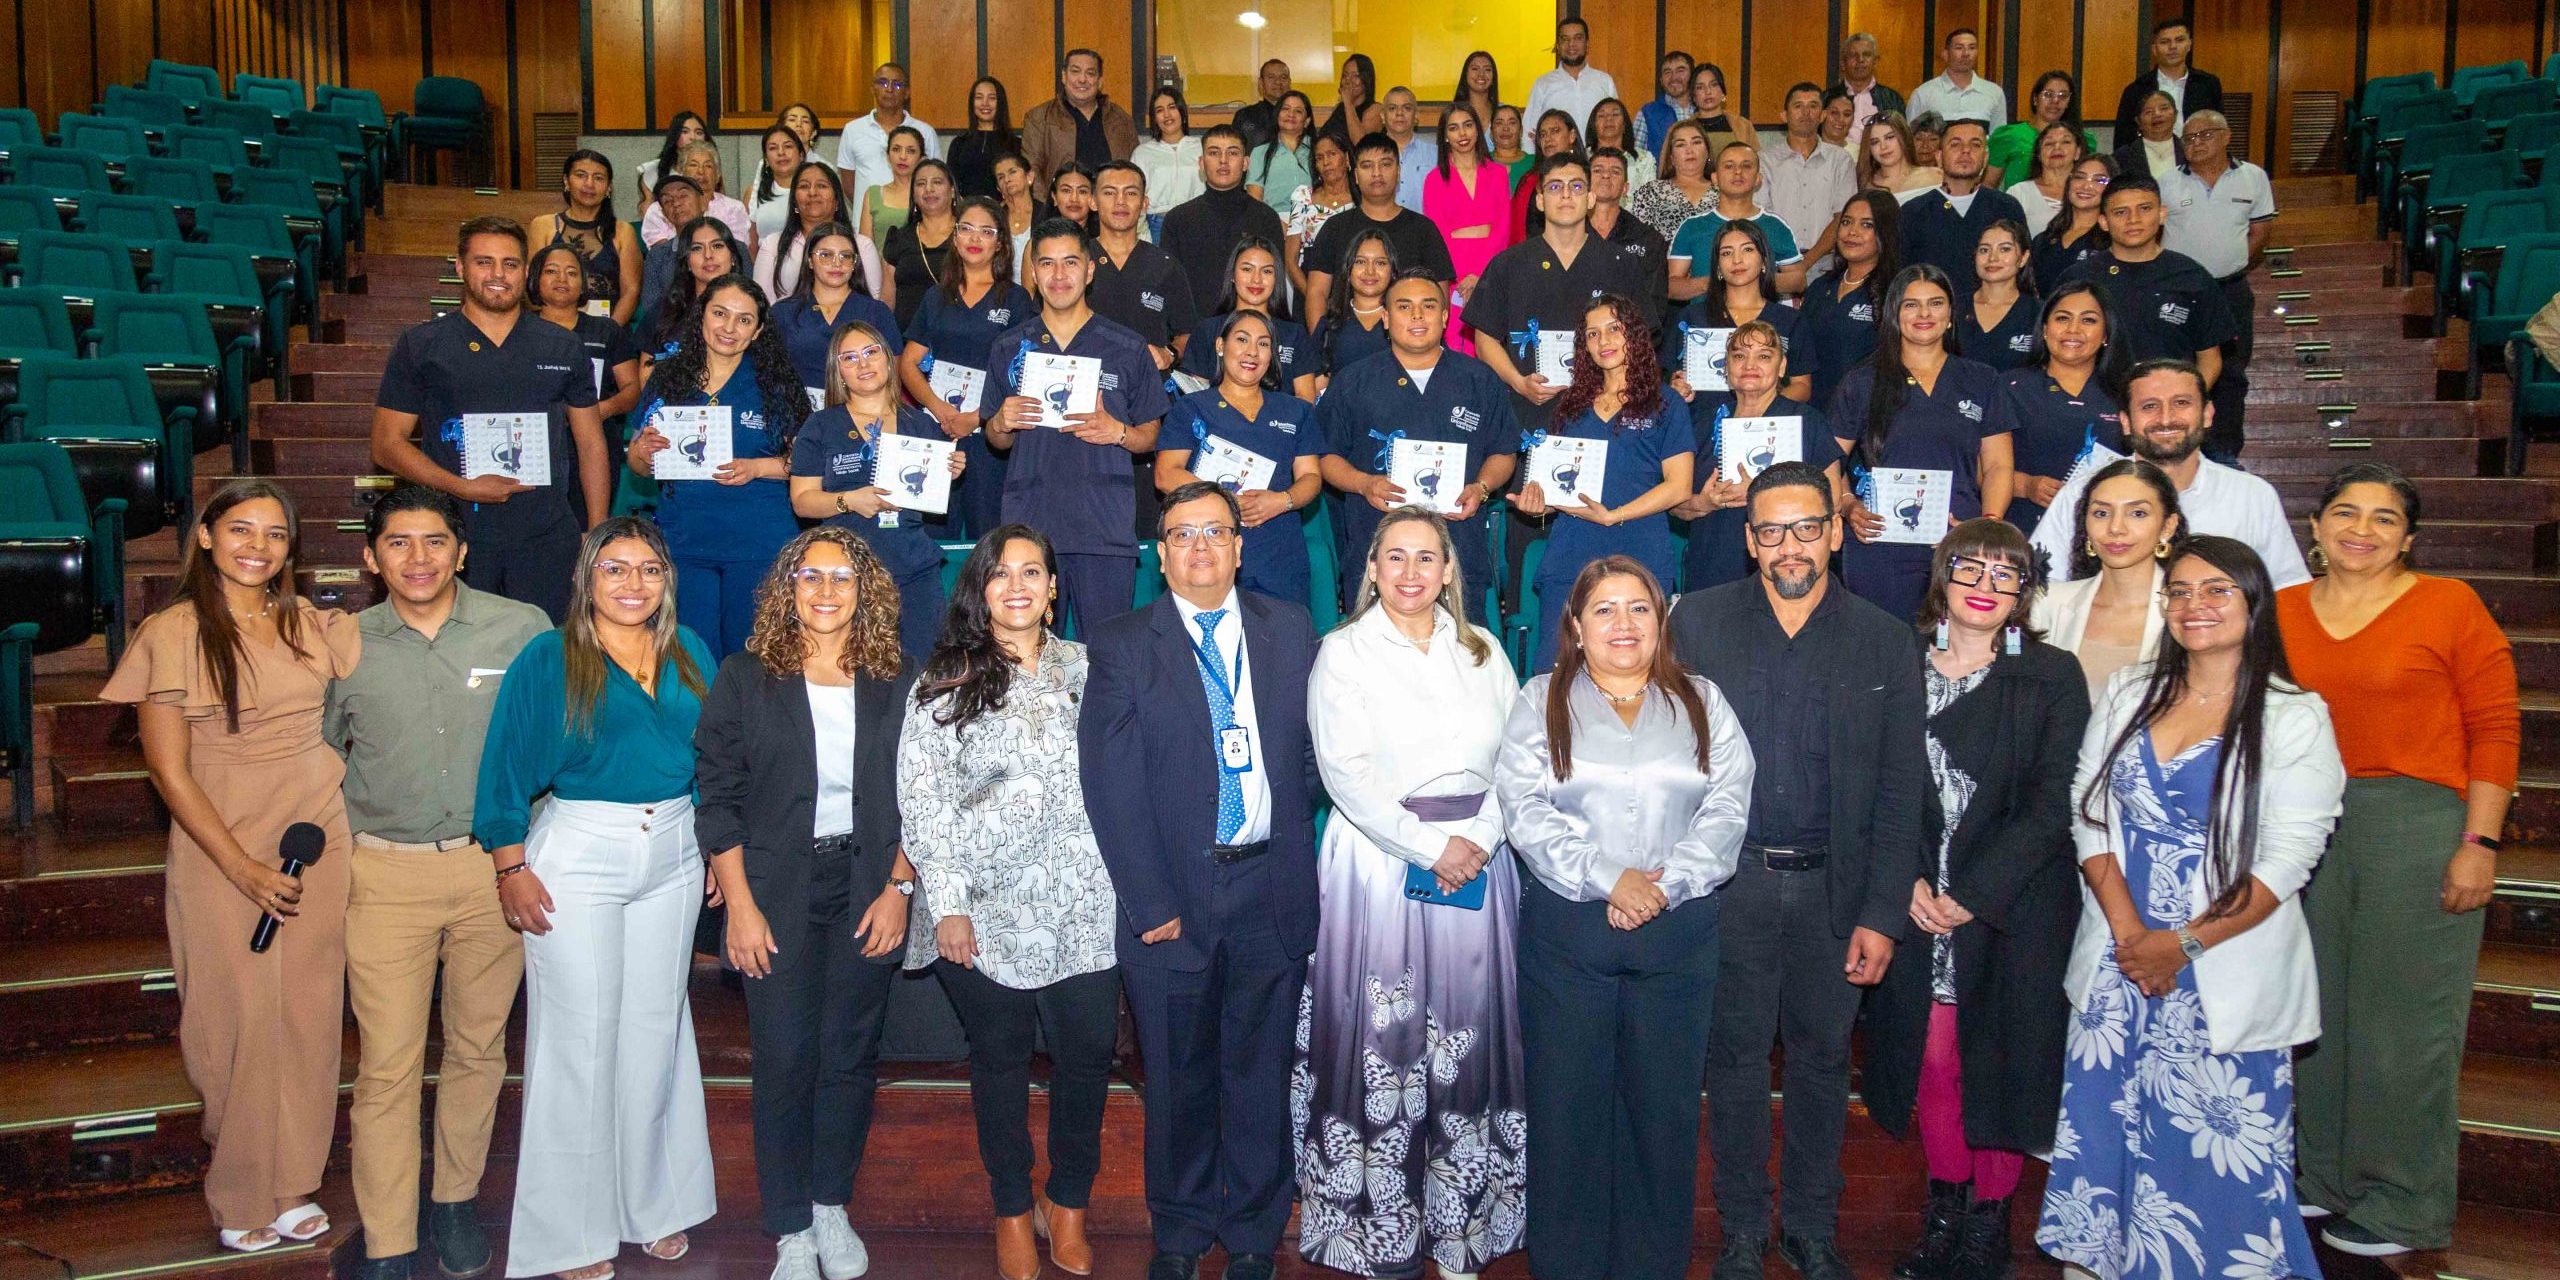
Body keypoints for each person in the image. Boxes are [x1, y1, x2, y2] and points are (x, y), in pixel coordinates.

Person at [2035, 535, 2344, 1280]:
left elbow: (2286, 861)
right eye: (2178, 591)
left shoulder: (2293, 715)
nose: (2194, 605)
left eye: (2215, 591)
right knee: (2109, 1129)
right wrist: (2134, 933)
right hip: (2121, 961)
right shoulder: (2131, 691)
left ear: (2252, 603)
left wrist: (2185, 944)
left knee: (2219, 1153)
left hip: (2224, 966)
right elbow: (2089, 814)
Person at [1667, 460, 1926, 1280]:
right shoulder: (1697, 624)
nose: (1790, 546)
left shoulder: (1886, 638)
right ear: (1748, 540)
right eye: (1771, 530)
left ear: (1837, 531)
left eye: (1806, 527)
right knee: (1734, 1062)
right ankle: (1744, 1226)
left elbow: (1899, 790)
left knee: (1821, 1062)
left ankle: (1812, 1225)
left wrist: (1883, 913)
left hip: (1837, 891)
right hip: (1730, 885)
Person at [106, 480, 360, 1255]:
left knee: (310, 1015)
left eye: (276, 534)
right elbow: (169, 774)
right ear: (206, 537)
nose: (259, 545)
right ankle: (241, 1186)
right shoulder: (173, 631)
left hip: (317, 830)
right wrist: (243, 867)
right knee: (234, 1019)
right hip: (222, 841)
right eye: (241, 529)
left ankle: (292, 1185)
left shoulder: (309, 625)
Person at [1080, 481, 1323, 1280]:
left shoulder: (1290, 629)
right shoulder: (1119, 643)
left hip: (1270, 887)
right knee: (1179, 1081)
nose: (1200, 549)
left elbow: (1316, 759)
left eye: (1215, 532)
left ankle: (1254, 1233)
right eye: (1182, 535)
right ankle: (1180, 1235)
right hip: (1173, 899)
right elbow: (1109, 783)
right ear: (1160, 554)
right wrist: (1149, 903)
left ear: (1240, 545)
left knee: (1260, 1076)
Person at [2282, 463, 2521, 1260]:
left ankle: (2405, 1203)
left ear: (2409, 539)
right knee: (2317, 1012)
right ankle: (2323, 1178)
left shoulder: (2449, 605)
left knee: (2402, 1023)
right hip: (2307, 823)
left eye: (2384, 519)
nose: (2362, 529)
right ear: (2313, 529)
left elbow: (2495, 727)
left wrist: (2478, 844)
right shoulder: (2279, 611)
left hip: (2417, 825)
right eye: (2345, 513)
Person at [1495, 556, 1751, 1280]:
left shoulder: (1703, 700)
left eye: (1638, 608)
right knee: (1567, 1114)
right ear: (1575, 625)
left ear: (1661, 617)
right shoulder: (1540, 700)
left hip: (1679, 932)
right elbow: (1525, 811)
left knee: (1662, 1118)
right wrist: (1613, 879)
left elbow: (1729, 806)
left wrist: (1665, 886)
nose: (1623, 624)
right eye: (1603, 610)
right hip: (1569, 933)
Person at [476, 517, 718, 1280]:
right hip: (578, 853)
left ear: (667, 580)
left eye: (649, 570)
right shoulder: (549, 658)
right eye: (616, 570)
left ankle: (650, 1203)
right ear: (587, 578)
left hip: (676, 850)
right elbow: (506, 767)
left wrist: (716, 844)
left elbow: (714, 755)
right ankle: (570, 1236)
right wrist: (510, 867)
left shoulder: (690, 651)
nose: (633, 585)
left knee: (655, 1030)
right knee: (579, 1040)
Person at [1295, 509, 1527, 1280]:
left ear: (1451, 570)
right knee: (1380, 1041)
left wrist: (1483, 839)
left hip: (1479, 864)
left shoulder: (1484, 650)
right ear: (1369, 568)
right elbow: (1346, 774)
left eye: (1427, 558)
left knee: (1468, 1041)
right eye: (1394, 558)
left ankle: (1462, 1229)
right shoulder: (1343, 652)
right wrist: (1435, 847)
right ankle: (1379, 1231)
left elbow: (1520, 760)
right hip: (1380, 865)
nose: (1410, 573)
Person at [328, 486, 550, 1280]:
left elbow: (546, 739)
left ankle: (454, 1203)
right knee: (387, 1065)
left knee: (477, 1047)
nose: (416, 559)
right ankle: (388, 1241)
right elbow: (323, 756)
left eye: (433, 542)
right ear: (370, 555)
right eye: (397, 543)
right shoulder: (342, 642)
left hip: (495, 872)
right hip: (384, 874)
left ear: (461, 551)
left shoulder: (522, 627)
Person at [1862, 519, 2092, 1280]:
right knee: (1932, 1060)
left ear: (2026, 591)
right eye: (1972, 569)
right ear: (1941, 576)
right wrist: (1907, 884)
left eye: (2007, 574)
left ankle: (1991, 1222)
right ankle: (1945, 1207)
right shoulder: (1895, 660)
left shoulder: (2051, 673)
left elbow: (2055, 798)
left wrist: (1974, 893)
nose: (1987, 587)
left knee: (1999, 1059)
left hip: (2014, 906)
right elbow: (1871, 787)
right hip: (1917, 899)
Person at [897, 526, 1123, 1280]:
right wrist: (949, 903)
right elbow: (923, 803)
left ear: (1055, 587)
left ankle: (1068, 1203)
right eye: (1001, 574)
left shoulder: (1094, 671)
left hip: (1088, 908)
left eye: (1034, 572)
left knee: (1086, 1062)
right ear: (980, 589)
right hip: (983, 911)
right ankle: (1009, 1208)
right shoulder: (946, 678)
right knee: (998, 1064)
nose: (1019, 586)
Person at [694, 528, 918, 1280]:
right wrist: (740, 907)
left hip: (867, 889)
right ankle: (790, 1225)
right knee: (785, 1059)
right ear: (787, 589)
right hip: (775, 891)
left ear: (867, 593)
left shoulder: (900, 679)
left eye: (843, 579)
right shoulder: (743, 676)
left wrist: (899, 887)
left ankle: (831, 1206)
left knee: (849, 1057)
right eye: (810, 577)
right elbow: (718, 796)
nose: (826, 592)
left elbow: (926, 798)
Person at [372, 217, 609, 621]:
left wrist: (597, 532)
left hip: (546, 534)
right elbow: (386, 445)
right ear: (461, 268)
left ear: (524, 271)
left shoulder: (562, 345)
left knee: (547, 655)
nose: (498, 275)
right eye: (484, 262)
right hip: (455, 535)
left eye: (511, 264)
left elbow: (590, 443)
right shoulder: (422, 346)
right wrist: (461, 487)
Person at [984, 218, 1174, 633]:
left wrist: (1118, 432)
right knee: (1030, 656)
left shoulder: (1126, 347)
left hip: (1101, 530)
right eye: (1047, 264)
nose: (1058, 275)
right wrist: (1001, 421)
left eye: (1070, 262)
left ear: (1089, 271)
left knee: (1107, 659)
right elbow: (995, 439)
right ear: (1033, 273)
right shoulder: (1009, 347)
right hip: (1031, 530)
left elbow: (1152, 436)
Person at [625, 276, 810, 656]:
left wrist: (758, 468)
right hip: (686, 540)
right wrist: (643, 452)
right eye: (720, 313)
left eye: (744, 320)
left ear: (758, 331)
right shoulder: (668, 376)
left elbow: (805, 464)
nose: (729, 328)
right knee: (692, 654)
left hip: (758, 539)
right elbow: (638, 464)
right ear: (701, 316)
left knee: (753, 655)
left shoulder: (776, 383)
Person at [1320, 270, 1519, 619]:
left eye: (1428, 306)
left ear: (1444, 317)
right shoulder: (1353, 380)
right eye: (1404, 306)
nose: (1417, 316)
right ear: (1385, 317)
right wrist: (1363, 483)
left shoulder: (1479, 379)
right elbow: (1325, 456)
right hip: (1377, 552)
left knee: (1459, 660)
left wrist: (1482, 488)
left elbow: (1503, 451)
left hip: (1458, 551)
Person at [1514, 295, 1697, 671]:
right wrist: (1540, 502)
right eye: (1593, 334)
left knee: (1640, 673)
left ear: (1634, 335)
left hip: (1640, 551)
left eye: (1614, 329)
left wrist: (1616, 515)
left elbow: (1679, 487)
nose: (1604, 341)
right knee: (1556, 674)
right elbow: (1558, 490)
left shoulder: (1666, 403)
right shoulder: (1570, 405)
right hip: (1572, 553)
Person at [1833, 265, 2016, 624]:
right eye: (1911, 305)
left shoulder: (1981, 380)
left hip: (1960, 544)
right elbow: (1828, 459)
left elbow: (1998, 466)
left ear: (1951, 315)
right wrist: (1846, 503)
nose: (1924, 314)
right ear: (1894, 314)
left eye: (1935, 303)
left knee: (1955, 652)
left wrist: (1985, 528)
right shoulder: (1862, 380)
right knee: (1883, 655)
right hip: (1879, 545)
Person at [2030, 360, 2310, 587]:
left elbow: (2287, 590)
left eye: (2181, 403)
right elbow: (2039, 586)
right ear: (2125, 422)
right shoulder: (2082, 494)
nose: (2165, 419)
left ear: (2208, 414)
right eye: (2149, 406)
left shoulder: (2252, 496)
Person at [1466, 153, 1657, 475]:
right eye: (1555, 187)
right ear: (1540, 200)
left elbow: (1641, 339)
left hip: (1605, 413)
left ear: (1591, 198)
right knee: (1530, 513)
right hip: (1529, 410)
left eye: (1576, 186)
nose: (1566, 194)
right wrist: (1518, 382)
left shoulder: (1621, 264)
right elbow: (1484, 337)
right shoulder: (1508, 264)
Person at [789, 320, 964, 658]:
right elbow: (802, 501)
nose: (863, 364)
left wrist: (951, 470)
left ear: (888, 359)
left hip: (914, 571)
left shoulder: (921, 423)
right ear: (838, 371)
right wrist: (849, 501)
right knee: (858, 676)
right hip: (848, 575)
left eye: (871, 352)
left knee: (922, 675)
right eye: (850, 358)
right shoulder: (821, 425)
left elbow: (932, 490)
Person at [1157, 311, 1323, 605]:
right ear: (1220, 346)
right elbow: (1166, 474)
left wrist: (1281, 500)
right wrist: (1224, 500)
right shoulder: (1191, 407)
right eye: (1242, 340)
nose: (1251, 352)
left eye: (1263, 344)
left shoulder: (1295, 411)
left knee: (1285, 642)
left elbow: (1311, 477)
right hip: (1209, 550)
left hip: (1279, 552)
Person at [1672, 319, 1845, 590]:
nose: (1749, 365)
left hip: (1786, 569)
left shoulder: (1806, 422)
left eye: (1764, 356)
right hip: (1711, 571)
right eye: (1739, 356)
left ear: (1782, 366)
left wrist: (1762, 492)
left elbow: (1832, 498)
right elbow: (1675, 505)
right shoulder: (1703, 424)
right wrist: (1704, 503)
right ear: (1726, 367)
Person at [901, 197, 1036, 538]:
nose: (975, 239)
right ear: (955, 237)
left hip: (991, 437)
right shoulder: (936, 296)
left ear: (1001, 243)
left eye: (986, 231)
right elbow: (908, 363)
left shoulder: (1016, 299)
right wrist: (942, 411)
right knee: (934, 537)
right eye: (967, 229)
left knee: (989, 538)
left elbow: (1025, 373)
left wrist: (976, 417)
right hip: (940, 431)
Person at [2161, 110, 2274, 462]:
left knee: (2230, 372)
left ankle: (2224, 452)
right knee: (2176, 367)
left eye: (2205, 135)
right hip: (2179, 293)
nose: (2195, 143)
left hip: (2230, 291)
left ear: (2226, 137)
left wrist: (2235, 263)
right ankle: (2175, 447)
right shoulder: (2167, 182)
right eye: (2189, 138)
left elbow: (2261, 230)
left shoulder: (2253, 177)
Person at [2056, 178, 2234, 394]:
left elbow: (2210, 359)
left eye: (2145, 209)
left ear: (2162, 214)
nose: (2133, 219)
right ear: (2103, 221)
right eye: (2120, 212)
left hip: (2166, 406)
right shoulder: (2079, 278)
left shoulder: (2191, 276)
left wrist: (2184, 403)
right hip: (2092, 407)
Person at [2030, 457, 2182, 700]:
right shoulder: (2047, 604)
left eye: (2137, 513)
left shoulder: (2186, 610)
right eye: (2101, 513)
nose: (2116, 528)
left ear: (2167, 527)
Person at [1999, 281, 2127, 535]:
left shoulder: (2125, 394)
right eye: (2062, 318)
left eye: (2088, 320)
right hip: (2024, 531)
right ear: (2045, 329)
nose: (2073, 329)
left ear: (2105, 335)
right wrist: (2026, 485)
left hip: (2105, 534)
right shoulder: (2008, 387)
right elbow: (1979, 466)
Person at [1302, 133, 1456, 321]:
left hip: (1408, 343)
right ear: (1356, 175)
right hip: (1344, 342)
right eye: (1367, 166)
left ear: (1398, 171)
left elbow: (1439, 298)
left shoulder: (1424, 229)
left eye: (1385, 164)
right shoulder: (1335, 228)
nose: (1376, 173)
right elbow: (1316, 293)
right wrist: (1322, 343)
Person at [1664, 220, 1809, 400]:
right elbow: (1670, 378)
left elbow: (1802, 386)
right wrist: (1678, 387)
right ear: (1717, 266)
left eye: (1747, 250)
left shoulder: (1789, 320)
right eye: (1726, 253)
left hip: (1766, 425)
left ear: (1764, 260)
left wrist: (1760, 410)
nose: (1737, 260)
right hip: (1702, 423)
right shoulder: (1692, 317)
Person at [1083, 161, 1201, 373]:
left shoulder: (1165, 265)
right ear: (1093, 201)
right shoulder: (1075, 262)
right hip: (1085, 387)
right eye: (1109, 193)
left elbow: (1188, 334)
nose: (1120, 201)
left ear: (1145, 203)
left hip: (1150, 389)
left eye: (1131, 193)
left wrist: (1169, 353)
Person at [1162, 125, 1287, 315]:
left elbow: (1274, 285)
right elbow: (1170, 286)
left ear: (1245, 163)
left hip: (1253, 331)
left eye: (1232, 153)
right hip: (1194, 333)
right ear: (1202, 163)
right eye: (1214, 153)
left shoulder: (1266, 218)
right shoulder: (1178, 220)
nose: (1223, 161)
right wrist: (1182, 333)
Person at [1176, 235, 1320, 399]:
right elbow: (1195, 396)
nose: (1256, 279)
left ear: (1276, 278)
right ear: (1232, 275)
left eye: (1266, 271)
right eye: (1247, 269)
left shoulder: (1294, 334)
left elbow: (1305, 399)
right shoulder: (1208, 330)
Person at [1423, 102, 1514, 354]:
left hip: (1491, 271)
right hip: (1454, 277)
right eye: (1453, 128)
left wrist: (1482, 275)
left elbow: (1503, 230)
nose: (1462, 134)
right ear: (1444, 135)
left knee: (1492, 346)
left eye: (1468, 125)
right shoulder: (1434, 179)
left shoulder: (1498, 174)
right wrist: (1463, 278)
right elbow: (1438, 236)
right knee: (1457, 347)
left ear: (1478, 130)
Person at [772, 223, 903, 397]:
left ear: (854, 263)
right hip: (796, 415)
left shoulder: (876, 312)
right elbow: (768, 371)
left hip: (859, 417)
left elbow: (893, 376)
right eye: (825, 255)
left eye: (846, 256)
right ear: (810, 261)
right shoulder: (783, 312)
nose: (837, 263)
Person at [1899, 121, 2028, 297]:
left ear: (1986, 157)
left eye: (1975, 145)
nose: (1966, 151)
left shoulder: (2006, 207)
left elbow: (2024, 275)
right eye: (1955, 144)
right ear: (1939, 157)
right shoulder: (1913, 212)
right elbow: (1901, 278)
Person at [1799, 190, 1901, 406]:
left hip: (1867, 416)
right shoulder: (1820, 287)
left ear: (1885, 232)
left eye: (1867, 225)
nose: (1852, 232)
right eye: (1846, 222)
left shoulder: (1897, 291)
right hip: (1815, 414)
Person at [1669, 142, 1806, 300]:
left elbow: (1799, 280)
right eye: (1729, 166)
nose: (1738, 172)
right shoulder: (1692, 227)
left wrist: (1753, 280)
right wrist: (1716, 282)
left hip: (1761, 322)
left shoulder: (1775, 226)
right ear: (1715, 178)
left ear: (1758, 179)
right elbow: (1672, 286)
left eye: (1746, 166)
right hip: (1707, 320)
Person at [530, 243, 645, 423]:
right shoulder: (519, 330)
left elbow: (632, 390)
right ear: (535, 279)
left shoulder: (606, 330)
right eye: (551, 271)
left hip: (600, 432)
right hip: (537, 436)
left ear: (584, 284)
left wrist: (599, 411)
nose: (562, 278)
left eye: (572, 273)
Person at [530, 150, 644, 325]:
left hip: (609, 330)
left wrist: (607, 333)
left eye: (598, 178)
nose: (589, 184)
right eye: (581, 175)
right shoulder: (543, 225)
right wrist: (552, 333)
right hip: (552, 331)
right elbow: (532, 284)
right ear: (566, 181)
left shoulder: (622, 231)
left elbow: (631, 291)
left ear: (608, 188)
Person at [1759, 83, 1858, 277]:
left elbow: (1842, 218)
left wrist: (1806, 263)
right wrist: (1790, 264)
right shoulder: (1764, 160)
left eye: (1813, 106)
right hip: (1777, 264)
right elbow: (1762, 218)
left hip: (1827, 265)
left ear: (1822, 115)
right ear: (1784, 116)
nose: (1806, 113)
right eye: (1798, 106)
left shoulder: (1841, 160)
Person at [760, 161, 887, 301]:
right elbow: (762, 304)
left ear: (837, 200)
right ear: (794, 202)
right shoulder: (773, 245)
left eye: (821, 186)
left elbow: (873, 302)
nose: (812, 192)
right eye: (804, 186)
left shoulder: (862, 246)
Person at [1022, 49, 1138, 189]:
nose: (1082, 80)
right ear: (1064, 76)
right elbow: (1031, 170)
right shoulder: (1039, 118)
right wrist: (1045, 208)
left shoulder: (1121, 119)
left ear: (1100, 81)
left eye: (1090, 73)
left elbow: (1135, 167)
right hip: (1060, 208)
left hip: (1111, 206)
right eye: (1075, 71)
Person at [835, 61, 944, 203]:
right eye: (883, 83)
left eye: (897, 84)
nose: (890, 89)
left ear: (907, 92)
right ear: (872, 88)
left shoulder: (925, 132)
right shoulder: (853, 130)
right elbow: (849, 185)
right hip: (866, 221)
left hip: (911, 221)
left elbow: (936, 177)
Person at [2109, 16, 2225, 148]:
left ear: (2189, 45)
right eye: (2165, 42)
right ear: (2154, 49)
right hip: (2152, 161)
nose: (2173, 47)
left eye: (2179, 40)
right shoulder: (2136, 90)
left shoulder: (2207, 85)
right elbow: (2123, 141)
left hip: (2199, 157)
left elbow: (2219, 130)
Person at [650, 216, 755, 356]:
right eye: (697, 248)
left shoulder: (753, 308)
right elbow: (647, 370)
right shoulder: (666, 307)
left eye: (717, 246)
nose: (708, 255)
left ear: (733, 257)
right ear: (687, 261)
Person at [1310, 227, 1398, 382]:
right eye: (1360, 262)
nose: (1370, 271)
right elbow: (1316, 387)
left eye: (1380, 263)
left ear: (1392, 271)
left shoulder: (1405, 320)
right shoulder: (1329, 325)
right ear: (1348, 269)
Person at [1587, 146, 1672, 308]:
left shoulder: (1648, 239)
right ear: (1585, 182)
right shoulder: (1569, 234)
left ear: (1625, 188)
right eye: (1597, 170)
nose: (1606, 175)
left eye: (1615, 171)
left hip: (1631, 329)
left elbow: (1655, 304)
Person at [640, 141, 757, 253]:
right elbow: (663, 256)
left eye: (708, 166)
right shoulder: (660, 209)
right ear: (681, 173)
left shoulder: (734, 208)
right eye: (693, 165)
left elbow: (736, 251)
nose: (701, 171)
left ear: (717, 175)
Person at [880, 159, 957, 326]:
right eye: (921, 184)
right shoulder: (898, 238)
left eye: (937, 182)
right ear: (913, 195)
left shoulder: (968, 235)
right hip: (906, 341)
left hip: (956, 334)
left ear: (952, 191)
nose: (929, 189)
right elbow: (887, 300)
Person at [1986, 72, 2097, 188]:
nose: (2055, 101)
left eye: (2062, 96)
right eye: (2048, 94)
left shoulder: (2083, 139)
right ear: (2035, 99)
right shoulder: (2009, 136)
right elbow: (1989, 184)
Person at [1956, 219, 2039, 371]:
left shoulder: (2039, 313)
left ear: (2023, 258)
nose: (1992, 258)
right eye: (1984, 250)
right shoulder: (1953, 309)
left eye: (2005, 249)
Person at [1282, 131, 1355, 301]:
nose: (1326, 162)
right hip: (1308, 284)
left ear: (1347, 158)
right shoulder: (1303, 197)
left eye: (1332, 154)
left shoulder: (1362, 199)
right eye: (1319, 158)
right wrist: (1314, 298)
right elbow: (1291, 260)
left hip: (1352, 287)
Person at [1523, 17, 1620, 144]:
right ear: (1557, 45)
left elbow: (1617, 125)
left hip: (1598, 161)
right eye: (1565, 39)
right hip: (1557, 162)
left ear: (1587, 44)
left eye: (1578, 38)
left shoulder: (1604, 81)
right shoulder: (1543, 84)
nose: (1571, 44)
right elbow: (1529, 133)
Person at [2028, 155, 2115, 290]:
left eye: (2099, 180)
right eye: (2079, 177)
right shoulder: (2044, 239)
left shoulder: (2114, 240)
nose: (2086, 185)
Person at [1134, 87, 1207, 238]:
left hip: (1197, 222)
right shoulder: (1142, 153)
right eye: (1159, 110)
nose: (1167, 115)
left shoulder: (1202, 147)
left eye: (1172, 107)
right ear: (1154, 118)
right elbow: (1134, 193)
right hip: (1158, 225)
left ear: (1182, 112)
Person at [1906, 30, 2007, 131]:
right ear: (1945, 54)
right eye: (1959, 48)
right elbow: (1911, 140)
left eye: (1972, 48)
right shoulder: (1923, 94)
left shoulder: (1994, 93)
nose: (1966, 53)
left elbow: (1999, 140)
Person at [636, 175, 703, 324]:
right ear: (664, 214)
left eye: (683, 195)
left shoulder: (734, 248)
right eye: (667, 200)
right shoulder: (657, 257)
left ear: (703, 203)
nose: (676, 203)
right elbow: (651, 311)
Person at [2005, 122, 2088, 240]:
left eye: (2066, 142)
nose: (2057, 148)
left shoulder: (2089, 190)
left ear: (2077, 152)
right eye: (2049, 143)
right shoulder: (2019, 193)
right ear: (2039, 154)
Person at [1246, 90, 1315, 216]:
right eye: (1285, 109)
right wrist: (1277, 225)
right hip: (1271, 222)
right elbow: (1255, 200)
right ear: (1277, 115)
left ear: (1307, 121)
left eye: (1298, 111)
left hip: (1313, 219)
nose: (1291, 114)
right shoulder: (1260, 153)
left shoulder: (1319, 150)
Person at [1828, 32, 1907, 139]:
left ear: (1875, 61)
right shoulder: (1827, 98)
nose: (1860, 60)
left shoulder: (1892, 99)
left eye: (1866, 55)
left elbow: (1902, 140)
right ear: (1843, 63)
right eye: (1853, 55)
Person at [949, 77, 1019, 198]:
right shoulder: (959, 143)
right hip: (966, 212)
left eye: (992, 98)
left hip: (1004, 213)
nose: (985, 103)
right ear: (972, 103)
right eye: (979, 97)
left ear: (1001, 103)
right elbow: (950, 184)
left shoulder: (1015, 144)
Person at [857, 126, 927, 245]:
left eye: (911, 151)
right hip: (878, 263)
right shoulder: (873, 194)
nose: (903, 156)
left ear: (921, 159)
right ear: (888, 156)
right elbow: (865, 249)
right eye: (896, 149)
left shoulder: (930, 194)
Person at [747, 126, 812, 243]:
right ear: (766, 159)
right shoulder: (754, 192)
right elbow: (751, 242)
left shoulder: (814, 192)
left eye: (788, 146)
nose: (781, 152)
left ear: (801, 155)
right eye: (773, 148)